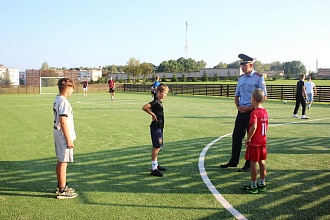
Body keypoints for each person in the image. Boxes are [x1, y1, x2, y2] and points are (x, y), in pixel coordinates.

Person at [220, 54, 267, 172]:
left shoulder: (258, 77)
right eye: (241, 65)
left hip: (253, 112)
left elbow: (264, 96)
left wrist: (251, 107)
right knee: (236, 137)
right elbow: (237, 95)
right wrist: (238, 107)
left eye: (244, 65)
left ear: (251, 65)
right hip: (241, 112)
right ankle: (233, 161)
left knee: (251, 138)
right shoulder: (241, 78)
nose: (242, 67)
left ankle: (248, 164)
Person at [53, 78, 78, 199]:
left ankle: (61, 185)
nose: (72, 91)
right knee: (64, 162)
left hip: (58, 134)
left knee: (61, 160)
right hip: (63, 136)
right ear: (67, 89)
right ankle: (62, 190)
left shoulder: (57, 99)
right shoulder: (63, 102)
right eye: (72, 89)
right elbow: (63, 122)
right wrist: (68, 139)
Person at [242, 88, 268, 194]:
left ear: (253, 99)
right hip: (263, 141)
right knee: (262, 162)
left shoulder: (255, 112)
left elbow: (254, 126)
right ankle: (262, 183)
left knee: (253, 164)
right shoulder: (265, 111)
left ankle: (253, 185)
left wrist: (248, 138)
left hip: (255, 142)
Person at [142, 83, 169, 177]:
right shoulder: (156, 101)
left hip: (159, 126)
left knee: (159, 146)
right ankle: (154, 169)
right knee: (156, 147)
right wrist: (152, 114)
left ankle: (156, 165)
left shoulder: (159, 101)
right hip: (156, 127)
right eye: (164, 93)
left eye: (166, 93)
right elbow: (145, 107)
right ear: (158, 92)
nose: (165, 95)